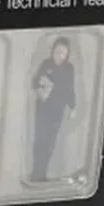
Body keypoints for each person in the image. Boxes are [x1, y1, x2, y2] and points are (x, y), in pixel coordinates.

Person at [30, 37, 76, 182]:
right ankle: (36, 172)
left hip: (58, 109)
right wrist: (41, 86)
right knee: (40, 140)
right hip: (43, 108)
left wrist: (73, 106)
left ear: (67, 54)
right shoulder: (46, 64)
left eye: (63, 53)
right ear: (52, 51)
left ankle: (42, 173)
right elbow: (35, 81)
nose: (59, 56)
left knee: (50, 142)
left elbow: (70, 88)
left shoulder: (69, 68)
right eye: (57, 52)